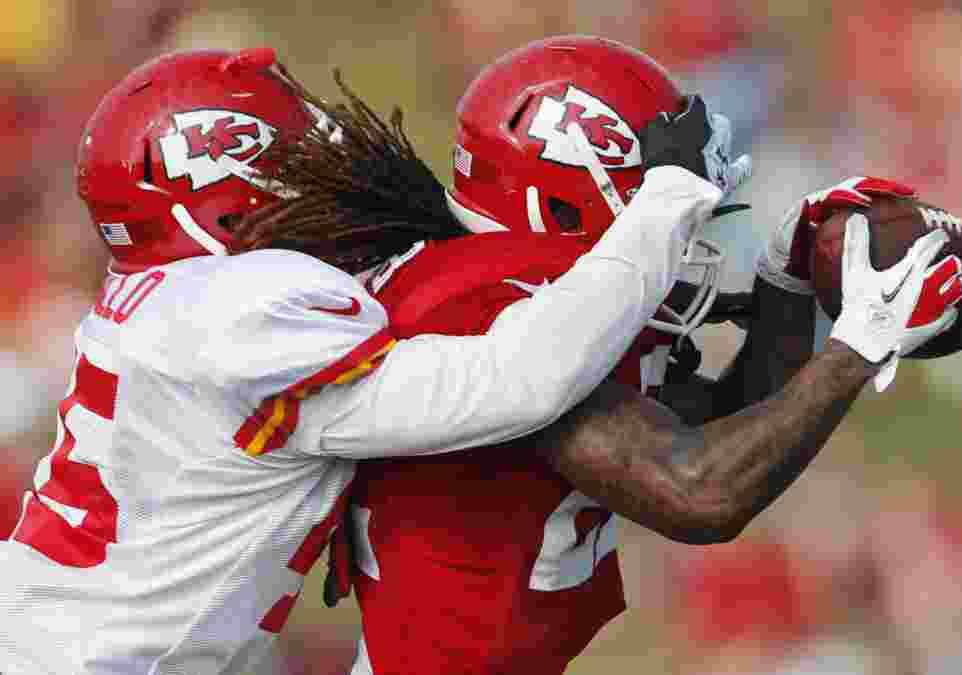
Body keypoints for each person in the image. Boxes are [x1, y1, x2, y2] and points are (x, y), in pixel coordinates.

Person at [0, 46, 749, 674]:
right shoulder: (241, 313)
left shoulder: (162, 297)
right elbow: (514, 382)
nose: (327, 170)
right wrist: (663, 203)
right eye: (294, 161)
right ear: (222, 206)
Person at [237, 37, 962, 674]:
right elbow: (701, 490)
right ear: (563, 207)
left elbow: (720, 430)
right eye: (669, 203)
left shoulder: (517, 296)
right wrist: (859, 344)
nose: (688, 240)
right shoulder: (494, 313)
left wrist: (786, 280)